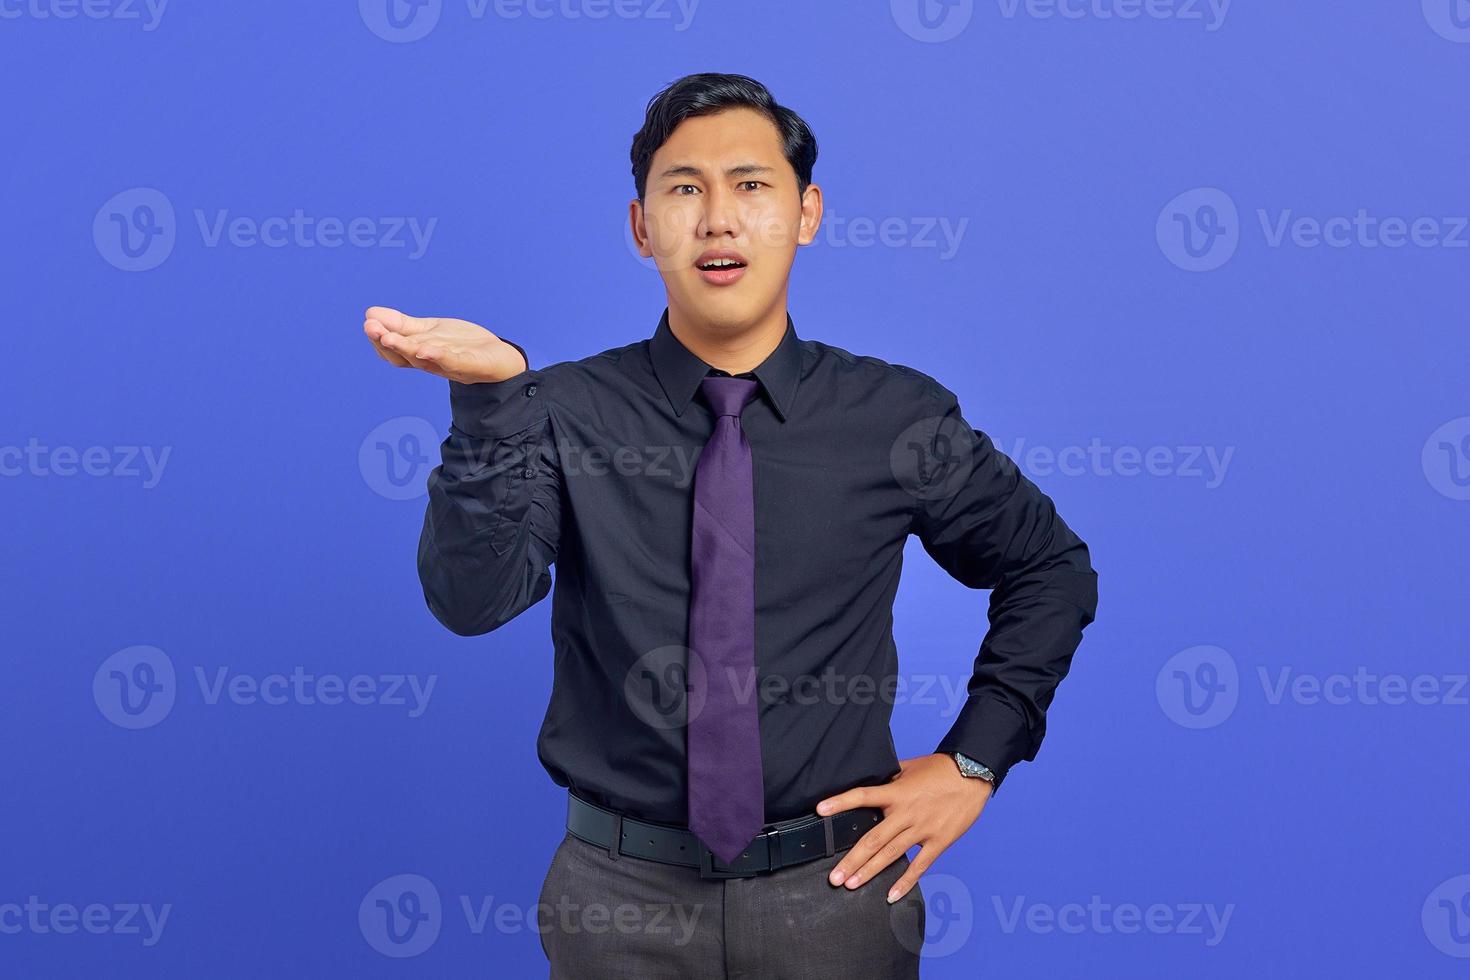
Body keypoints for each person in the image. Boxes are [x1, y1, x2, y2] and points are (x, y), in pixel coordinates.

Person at [362, 71, 1098, 979]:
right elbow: (471, 602)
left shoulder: (893, 417)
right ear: (642, 227)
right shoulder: (563, 410)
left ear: (806, 213)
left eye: (751, 186)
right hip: (617, 902)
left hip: (836, 897)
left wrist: (976, 761)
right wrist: (490, 404)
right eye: (683, 189)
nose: (717, 219)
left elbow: (1051, 569)